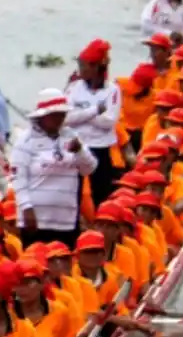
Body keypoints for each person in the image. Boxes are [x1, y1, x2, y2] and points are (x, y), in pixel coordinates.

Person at [12, 89, 96, 248]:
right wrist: (26, 208)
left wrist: (80, 151)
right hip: (36, 220)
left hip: (66, 220)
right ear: (43, 116)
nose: (60, 118)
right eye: (55, 114)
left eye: (62, 114)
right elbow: (18, 178)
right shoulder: (25, 141)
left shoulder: (71, 135)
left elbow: (89, 169)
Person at [65, 40, 122, 204]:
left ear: (96, 67)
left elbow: (109, 122)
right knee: (73, 196)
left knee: (102, 196)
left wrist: (80, 115)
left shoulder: (112, 90)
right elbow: (67, 119)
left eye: (83, 66)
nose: (80, 70)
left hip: (101, 149)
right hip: (77, 147)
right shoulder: (74, 87)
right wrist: (95, 111)